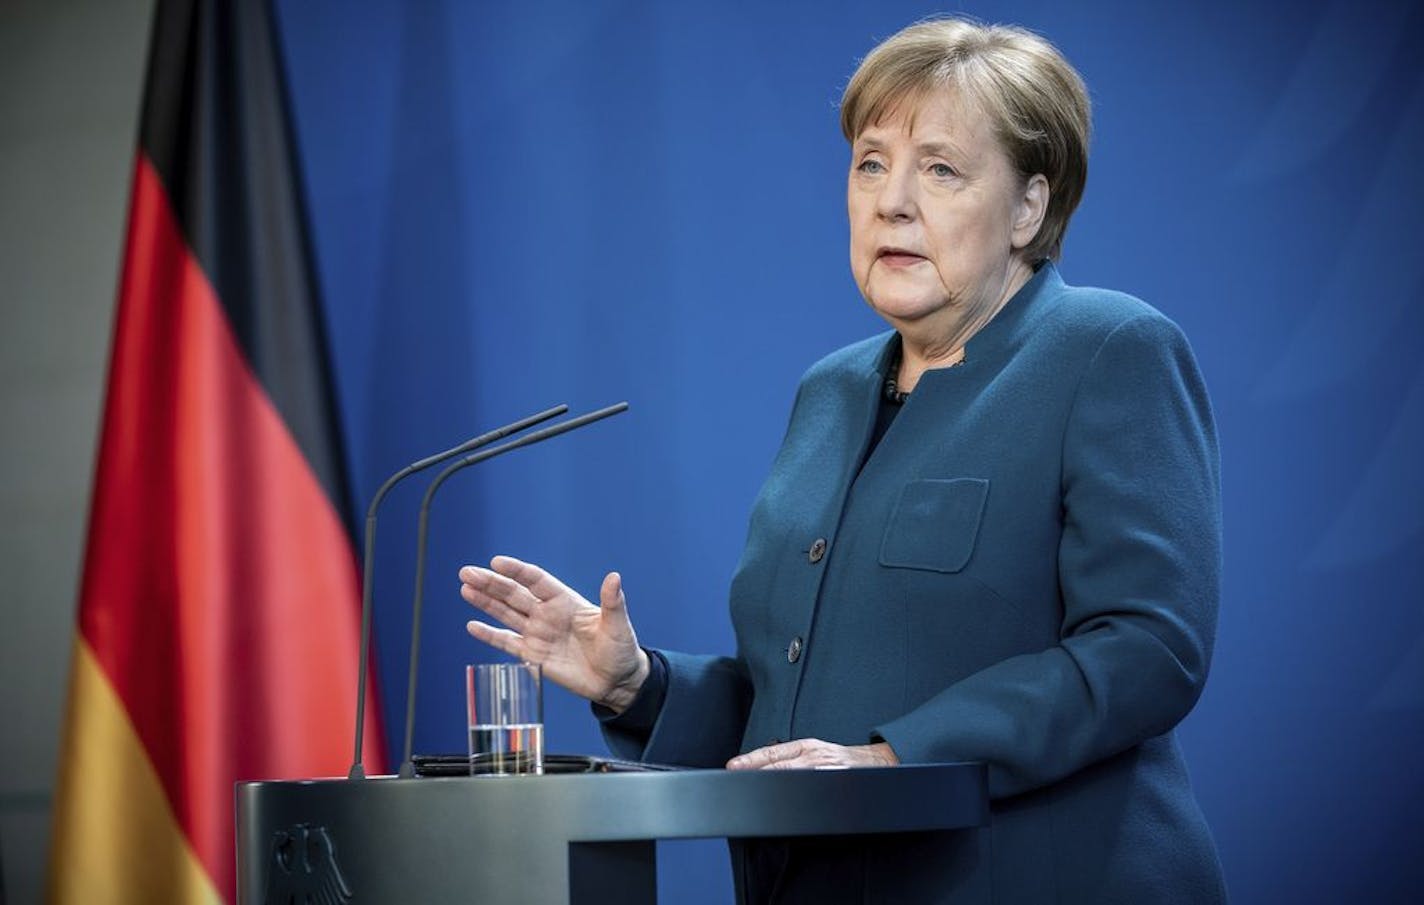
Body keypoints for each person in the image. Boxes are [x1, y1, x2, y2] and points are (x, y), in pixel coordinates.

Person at [459, 16, 1226, 904]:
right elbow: (794, 699)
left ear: (1029, 207)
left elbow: (1147, 647)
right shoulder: (830, 391)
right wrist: (639, 684)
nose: (891, 201)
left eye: (940, 168)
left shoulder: (1108, 350)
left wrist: (896, 757)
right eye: (871, 163)